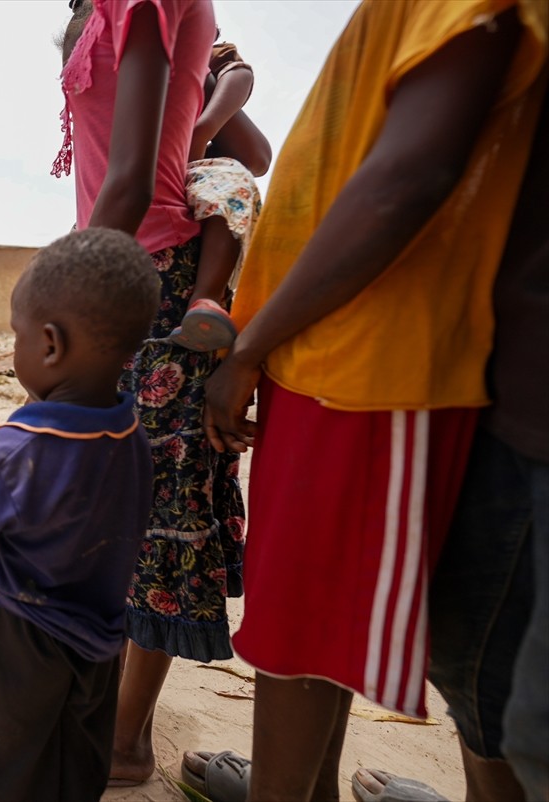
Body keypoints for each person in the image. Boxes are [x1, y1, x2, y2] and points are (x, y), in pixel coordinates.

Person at [186, 1, 546, 799]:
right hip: (320, 352)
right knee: (298, 641)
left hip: (371, 362)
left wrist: (247, 350)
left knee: (318, 646)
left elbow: (410, 176)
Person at [52, 0, 249, 786]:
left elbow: (135, 179)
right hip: (133, 274)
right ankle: (113, 718)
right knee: (126, 515)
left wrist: (62, 298)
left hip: (149, 284)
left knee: (160, 521)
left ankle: (127, 740)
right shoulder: (113, 15)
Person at [0, 227, 160, 802]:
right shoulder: (131, 437)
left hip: (15, 643)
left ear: (49, 345)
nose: (12, 347)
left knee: (5, 771)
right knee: (76, 765)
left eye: (15, 335)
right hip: (100, 641)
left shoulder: (11, 453)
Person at [168, 40, 269, 351]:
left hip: (200, 160)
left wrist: (203, 129)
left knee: (229, 185)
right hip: (161, 161)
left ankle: (206, 297)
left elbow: (239, 73)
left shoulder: (200, 54)